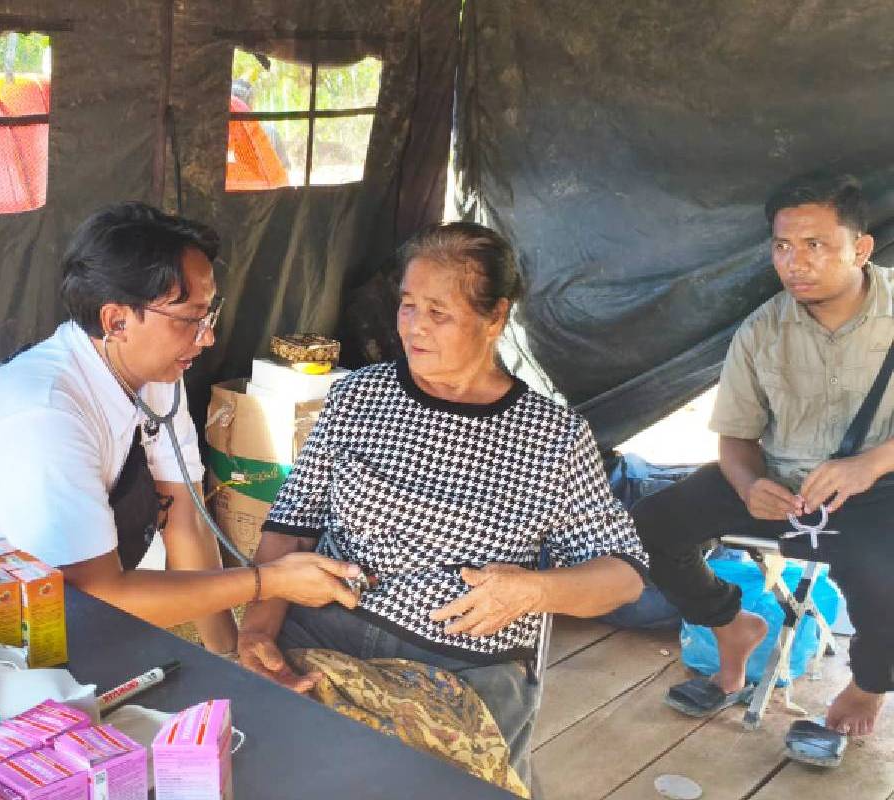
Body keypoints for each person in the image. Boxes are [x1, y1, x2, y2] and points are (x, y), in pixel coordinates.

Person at [237, 221, 648, 782]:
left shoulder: (552, 436)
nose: (414, 328)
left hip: (461, 665)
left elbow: (623, 577)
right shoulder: (360, 395)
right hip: (323, 631)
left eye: (439, 313)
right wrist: (258, 629)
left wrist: (536, 590)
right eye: (408, 306)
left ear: (495, 318)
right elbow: (291, 526)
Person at [0, 202, 361, 653]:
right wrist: (265, 581)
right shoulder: (45, 413)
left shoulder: (155, 372)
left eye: (211, 315)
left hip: (16, 607)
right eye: (190, 318)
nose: (206, 339)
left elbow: (182, 515)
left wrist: (228, 654)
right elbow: (101, 595)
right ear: (116, 321)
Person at [633, 172, 892, 742]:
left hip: (879, 488)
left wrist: (868, 464)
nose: (794, 262)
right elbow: (736, 439)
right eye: (782, 247)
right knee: (651, 525)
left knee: (886, 576)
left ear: (862, 247)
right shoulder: (760, 330)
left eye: (815, 245)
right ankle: (730, 623)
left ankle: (868, 682)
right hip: (780, 483)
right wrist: (749, 486)